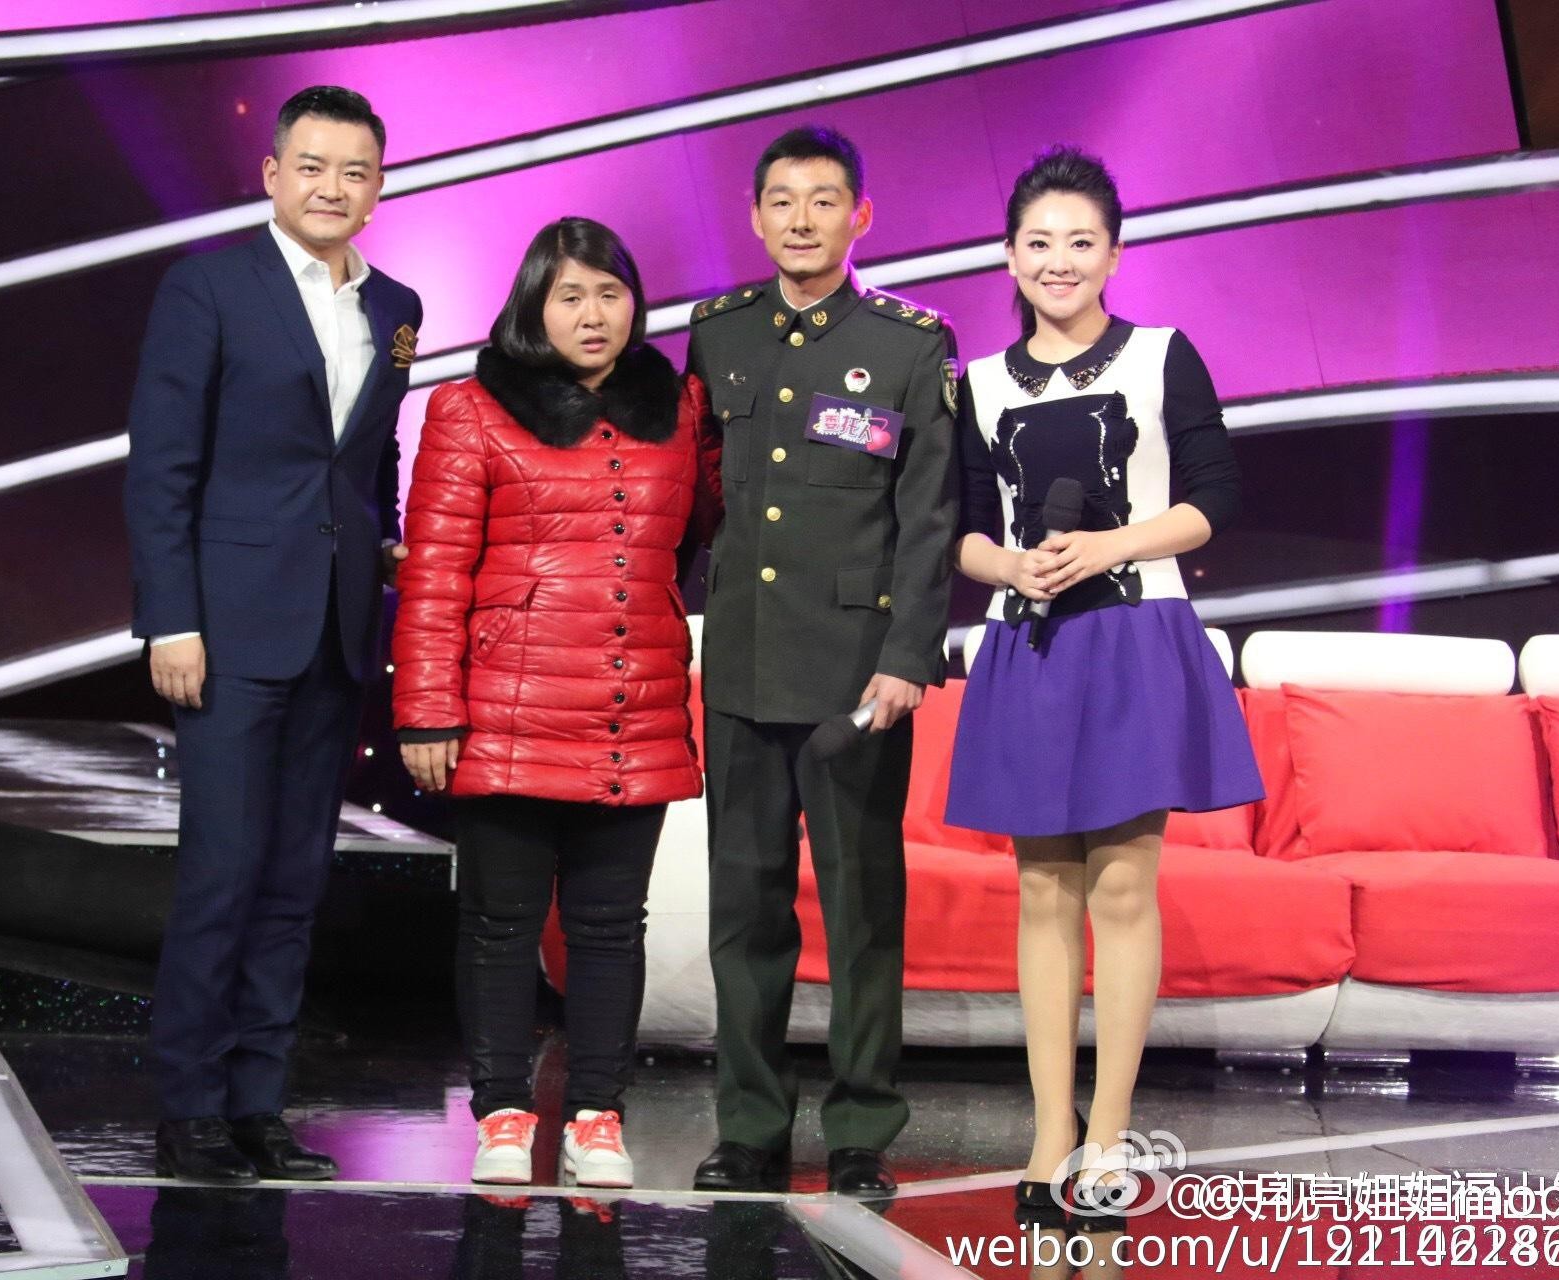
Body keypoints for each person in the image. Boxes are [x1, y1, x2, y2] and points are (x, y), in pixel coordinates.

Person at [945, 145, 1263, 1243]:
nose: (1060, 260)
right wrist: (1012, 565)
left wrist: (1108, 545)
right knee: (1044, 890)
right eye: (1039, 242)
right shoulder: (980, 384)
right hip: (1030, 641)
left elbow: (1216, 497)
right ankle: (1050, 1131)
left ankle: (1111, 1133)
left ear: (1115, 254)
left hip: (1135, 638)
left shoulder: (1165, 355)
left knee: (1123, 887)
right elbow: (964, 530)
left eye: (1081, 241)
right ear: (1009, 256)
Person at [124, 85, 423, 1183]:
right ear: (272, 174)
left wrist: (386, 541)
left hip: (337, 627)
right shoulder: (208, 286)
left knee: (297, 878)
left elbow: (372, 451)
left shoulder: (396, 303)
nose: (332, 187)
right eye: (313, 166)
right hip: (229, 627)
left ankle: (258, 1105)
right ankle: (191, 1108)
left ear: (378, 187)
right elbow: (161, 466)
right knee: (224, 871)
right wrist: (171, 617)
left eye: (355, 171)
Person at [392, 217, 716, 1189]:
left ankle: (597, 1115)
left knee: (611, 926)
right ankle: (502, 1109)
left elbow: (701, 530)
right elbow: (435, 573)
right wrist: (427, 710)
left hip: (632, 704)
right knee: (502, 921)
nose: (592, 313)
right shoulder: (470, 408)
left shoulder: (680, 409)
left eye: (610, 293)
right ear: (534, 304)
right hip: (506, 708)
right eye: (570, 295)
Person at [685, 125, 960, 1197]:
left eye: (824, 199)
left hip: (857, 674)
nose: (802, 219)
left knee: (860, 909)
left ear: (861, 216)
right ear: (756, 217)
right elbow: (697, 488)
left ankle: (859, 1130)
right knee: (745, 907)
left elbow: (928, 517)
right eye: (783, 201)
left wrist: (908, 657)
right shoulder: (718, 333)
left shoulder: (910, 344)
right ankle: (750, 1125)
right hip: (744, 664)